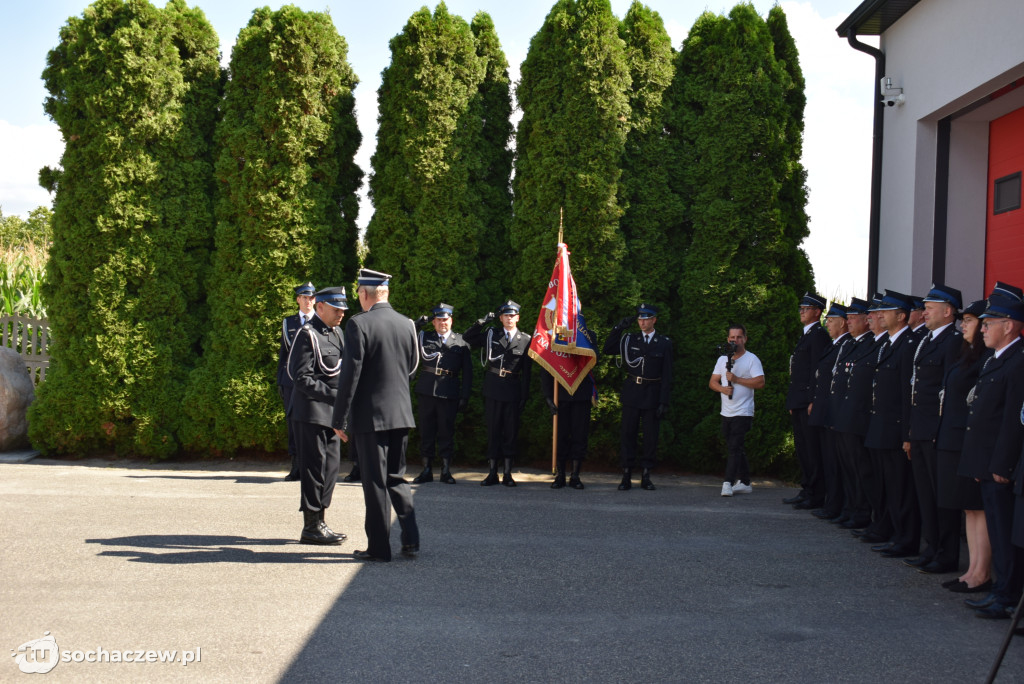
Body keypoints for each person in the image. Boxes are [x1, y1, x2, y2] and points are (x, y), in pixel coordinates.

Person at [331, 269, 420, 562]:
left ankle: (379, 548)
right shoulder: (406, 323)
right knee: (397, 477)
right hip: (401, 413)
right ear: (386, 292)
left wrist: (339, 419)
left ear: (363, 293)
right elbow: (411, 367)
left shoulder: (359, 324)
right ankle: (411, 539)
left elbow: (350, 376)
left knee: (375, 483)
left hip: (371, 417)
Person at [958, 283, 1024, 618]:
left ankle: (1007, 594)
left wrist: (1002, 463)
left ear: (1009, 325)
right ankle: (1002, 590)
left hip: (999, 464)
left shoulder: (1018, 362)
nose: (982, 328)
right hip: (984, 459)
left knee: (1004, 530)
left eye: (989, 323)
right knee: (997, 530)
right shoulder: (995, 359)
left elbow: (1013, 420)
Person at [904, 284, 963, 574]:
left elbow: (948, 391)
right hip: (921, 429)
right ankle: (932, 547)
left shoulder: (953, 341)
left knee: (943, 496)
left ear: (948, 311)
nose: (924, 311)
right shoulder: (927, 340)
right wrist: (911, 433)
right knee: (926, 494)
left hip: (937, 430)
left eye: (931, 306)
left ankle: (947, 553)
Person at [935, 300, 991, 593]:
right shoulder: (966, 355)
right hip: (953, 437)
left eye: (969, 321)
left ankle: (981, 572)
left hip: (966, 440)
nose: (963, 326)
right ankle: (971, 570)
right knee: (967, 509)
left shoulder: (985, 359)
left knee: (976, 507)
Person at [287, 286, 349, 545]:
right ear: (320, 306)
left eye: (343, 310)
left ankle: (320, 519)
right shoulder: (306, 334)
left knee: (331, 468)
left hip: (332, 414)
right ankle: (311, 526)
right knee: (314, 470)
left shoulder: (337, 333)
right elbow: (300, 377)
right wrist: (336, 398)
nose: (341, 314)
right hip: (311, 411)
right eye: (336, 309)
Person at [864, 290, 920, 559]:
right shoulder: (888, 344)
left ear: (901, 315)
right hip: (881, 425)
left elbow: (907, 394)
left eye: (887, 311)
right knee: (887, 485)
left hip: (895, 428)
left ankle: (905, 538)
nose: (880, 315)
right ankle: (893, 532)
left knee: (900, 487)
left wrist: (906, 432)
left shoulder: (907, 345)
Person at [603, 303, 674, 491]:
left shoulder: (664, 342)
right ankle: (626, 474)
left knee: (650, 436)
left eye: (646, 319)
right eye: (640, 319)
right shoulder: (630, 339)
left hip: (652, 393)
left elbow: (667, 375)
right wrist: (619, 328)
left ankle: (646, 475)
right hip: (633, 392)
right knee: (628, 434)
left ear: (654, 320)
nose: (642, 322)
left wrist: (663, 401)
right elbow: (608, 349)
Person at [463, 301, 532, 487]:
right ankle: (492, 472)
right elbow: (467, 338)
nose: (509, 318)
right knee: (493, 431)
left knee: (510, 432)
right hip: (493, 388)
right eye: (506, 315)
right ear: (501, 318)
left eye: (513, 315)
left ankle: (508, 473)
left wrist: (524, 396)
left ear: (518, 317)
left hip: (513, 390)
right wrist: (481, 322)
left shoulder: (526, 339)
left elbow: (527, 372)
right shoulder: (492, 334)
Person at [827, 297, 876, 529]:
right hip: (843, 415)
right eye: (848, 319)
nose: (849, 323)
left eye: (854, 318)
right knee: (848, 467)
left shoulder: (870, 344)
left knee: (860, 469)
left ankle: (862, 511)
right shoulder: (852, 344)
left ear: (866, 320)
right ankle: (851, 508)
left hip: (856, 417)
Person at [411, 303, 472, 484]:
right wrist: (417, 324)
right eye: (438, 320)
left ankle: (446, 470)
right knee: (426, 431)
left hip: (449, 392)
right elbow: (406, 335)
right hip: (427, 391)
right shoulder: (424, 337)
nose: (442, 323)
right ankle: (426, 469)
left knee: (446, 431)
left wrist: (464, 396)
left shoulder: (460, 341)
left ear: (451, 320)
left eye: (445, 320)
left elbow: (468, 373)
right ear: (434, 322)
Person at [783, 292, 831, 508]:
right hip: (799, 400)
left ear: (818, 312)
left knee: (812, 450)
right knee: (803, 449)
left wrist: (812, 400)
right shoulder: (807, 335)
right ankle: (807, 488)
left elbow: (816, 371)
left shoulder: (818, 335)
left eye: (807, 308)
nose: (801, 311)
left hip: (807, 401)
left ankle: (816, 493)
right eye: (801, 307)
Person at [808, 303, 852, 518]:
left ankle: (836, 505)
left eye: (831, 321)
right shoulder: (835, 345)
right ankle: (831, 503)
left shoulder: (845, 345)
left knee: (836, 462)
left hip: (833, 410)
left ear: (842, 323)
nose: (827, 324)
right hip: (825, 409)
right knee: (828, 460)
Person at [710, 324, 765, 496]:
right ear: (728, 339)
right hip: (726, 411)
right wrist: (723, 389)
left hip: (743, 412)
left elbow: (760, 382)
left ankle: (728, 482)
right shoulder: (722, 360)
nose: (735, 341)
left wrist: (737, 379)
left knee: (734, 447)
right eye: (732, 338)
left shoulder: (752, 359)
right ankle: (746, 482)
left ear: (745, 339)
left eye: (739, 337)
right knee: (736, 447)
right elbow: (712, 382)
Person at [541, 326, 599, 490]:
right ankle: (561, 475)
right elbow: (546, 369)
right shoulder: (554, 338)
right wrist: (548, 396)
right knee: (560, 437)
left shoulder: (589, 334)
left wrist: (581, 339)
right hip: (561, 395)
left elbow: (595, 359)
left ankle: (575, 475)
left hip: (581, 395)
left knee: (579, 436)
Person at [277, 281, 315, 481]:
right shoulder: (288, 323)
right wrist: (280, 381)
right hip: (291, 381)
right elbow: (283, 354)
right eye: (304, 297)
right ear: (298, 299)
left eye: (311, 298)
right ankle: (296, 465)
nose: (308, 301)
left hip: (314, 382)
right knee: (293, 423)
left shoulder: (320, 321)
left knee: (313, 422)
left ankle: (312, 465)